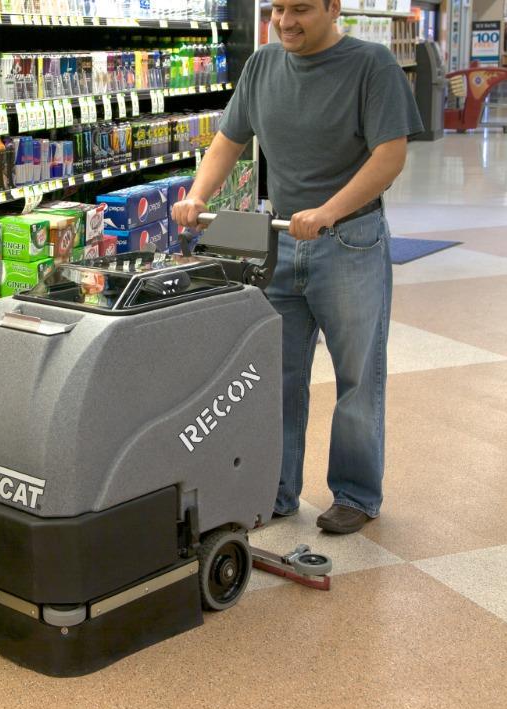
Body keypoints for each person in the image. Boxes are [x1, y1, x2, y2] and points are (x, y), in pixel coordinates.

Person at [172, 0, 423, 534]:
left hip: (350, 239)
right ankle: (275, 489)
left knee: (357, 375)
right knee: (275, 375)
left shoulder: (371, 65)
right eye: (277, 8)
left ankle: (355, 493)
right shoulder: (262, 65)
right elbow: (228, 141)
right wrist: (197, 197)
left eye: (301, 9)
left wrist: (330, 211)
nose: (285, 21)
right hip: (279, 240)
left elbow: (390, 155)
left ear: (333, 8)